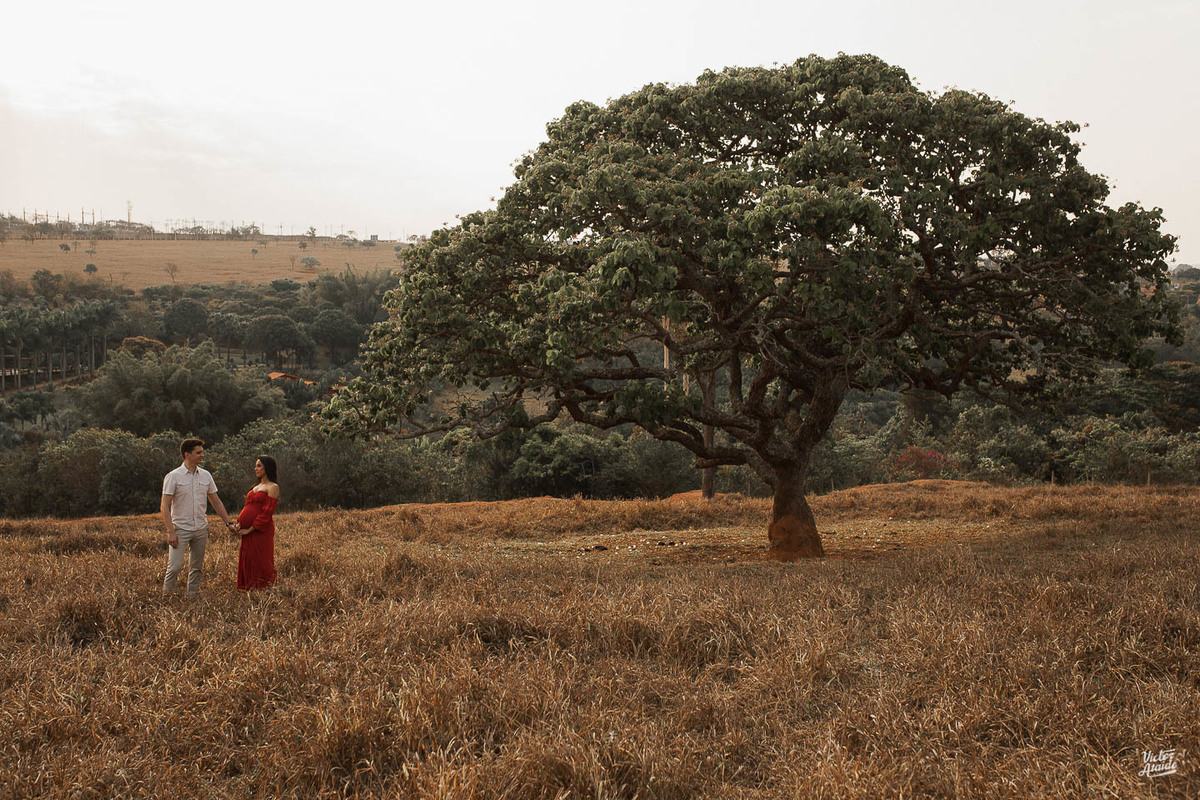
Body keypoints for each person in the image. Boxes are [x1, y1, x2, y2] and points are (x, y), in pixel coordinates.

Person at [161, 438, 237, 597]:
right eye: (198, 453)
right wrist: (171, 532)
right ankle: (166, 598)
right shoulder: (173, 476)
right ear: (187, 454)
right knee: (174, 567)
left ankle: (192, 597)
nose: (202, 455)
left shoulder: (206, 475)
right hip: (180, 528)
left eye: (202, 452)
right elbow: (165, 506)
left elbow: (215, 501)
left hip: (201, 528)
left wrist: (228, 523)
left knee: (196, 567)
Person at [235, 455, 279, 590]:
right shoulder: (257, 486)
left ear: (267, 467)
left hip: (261, 530)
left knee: (261, 559)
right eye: (255, 466)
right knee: (248, 557)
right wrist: (239, 523)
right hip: (246, 530)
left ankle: (263, 588)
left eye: (259, 466)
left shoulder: (273, 487)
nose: (256, 469)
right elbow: (247, 508)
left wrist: (250, 529)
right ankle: (248, 587)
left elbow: (267, 512)